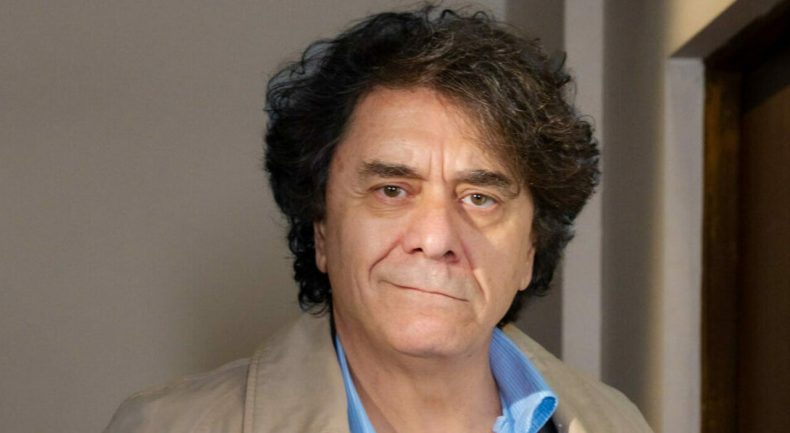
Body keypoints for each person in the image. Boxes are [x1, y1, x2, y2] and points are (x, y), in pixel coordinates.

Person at [104, 6, 653, 433]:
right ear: (322, 228)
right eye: (392, 190)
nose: (435, 238)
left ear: (531, 248)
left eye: (480, 198)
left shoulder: (620, 424)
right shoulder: (165, 427)